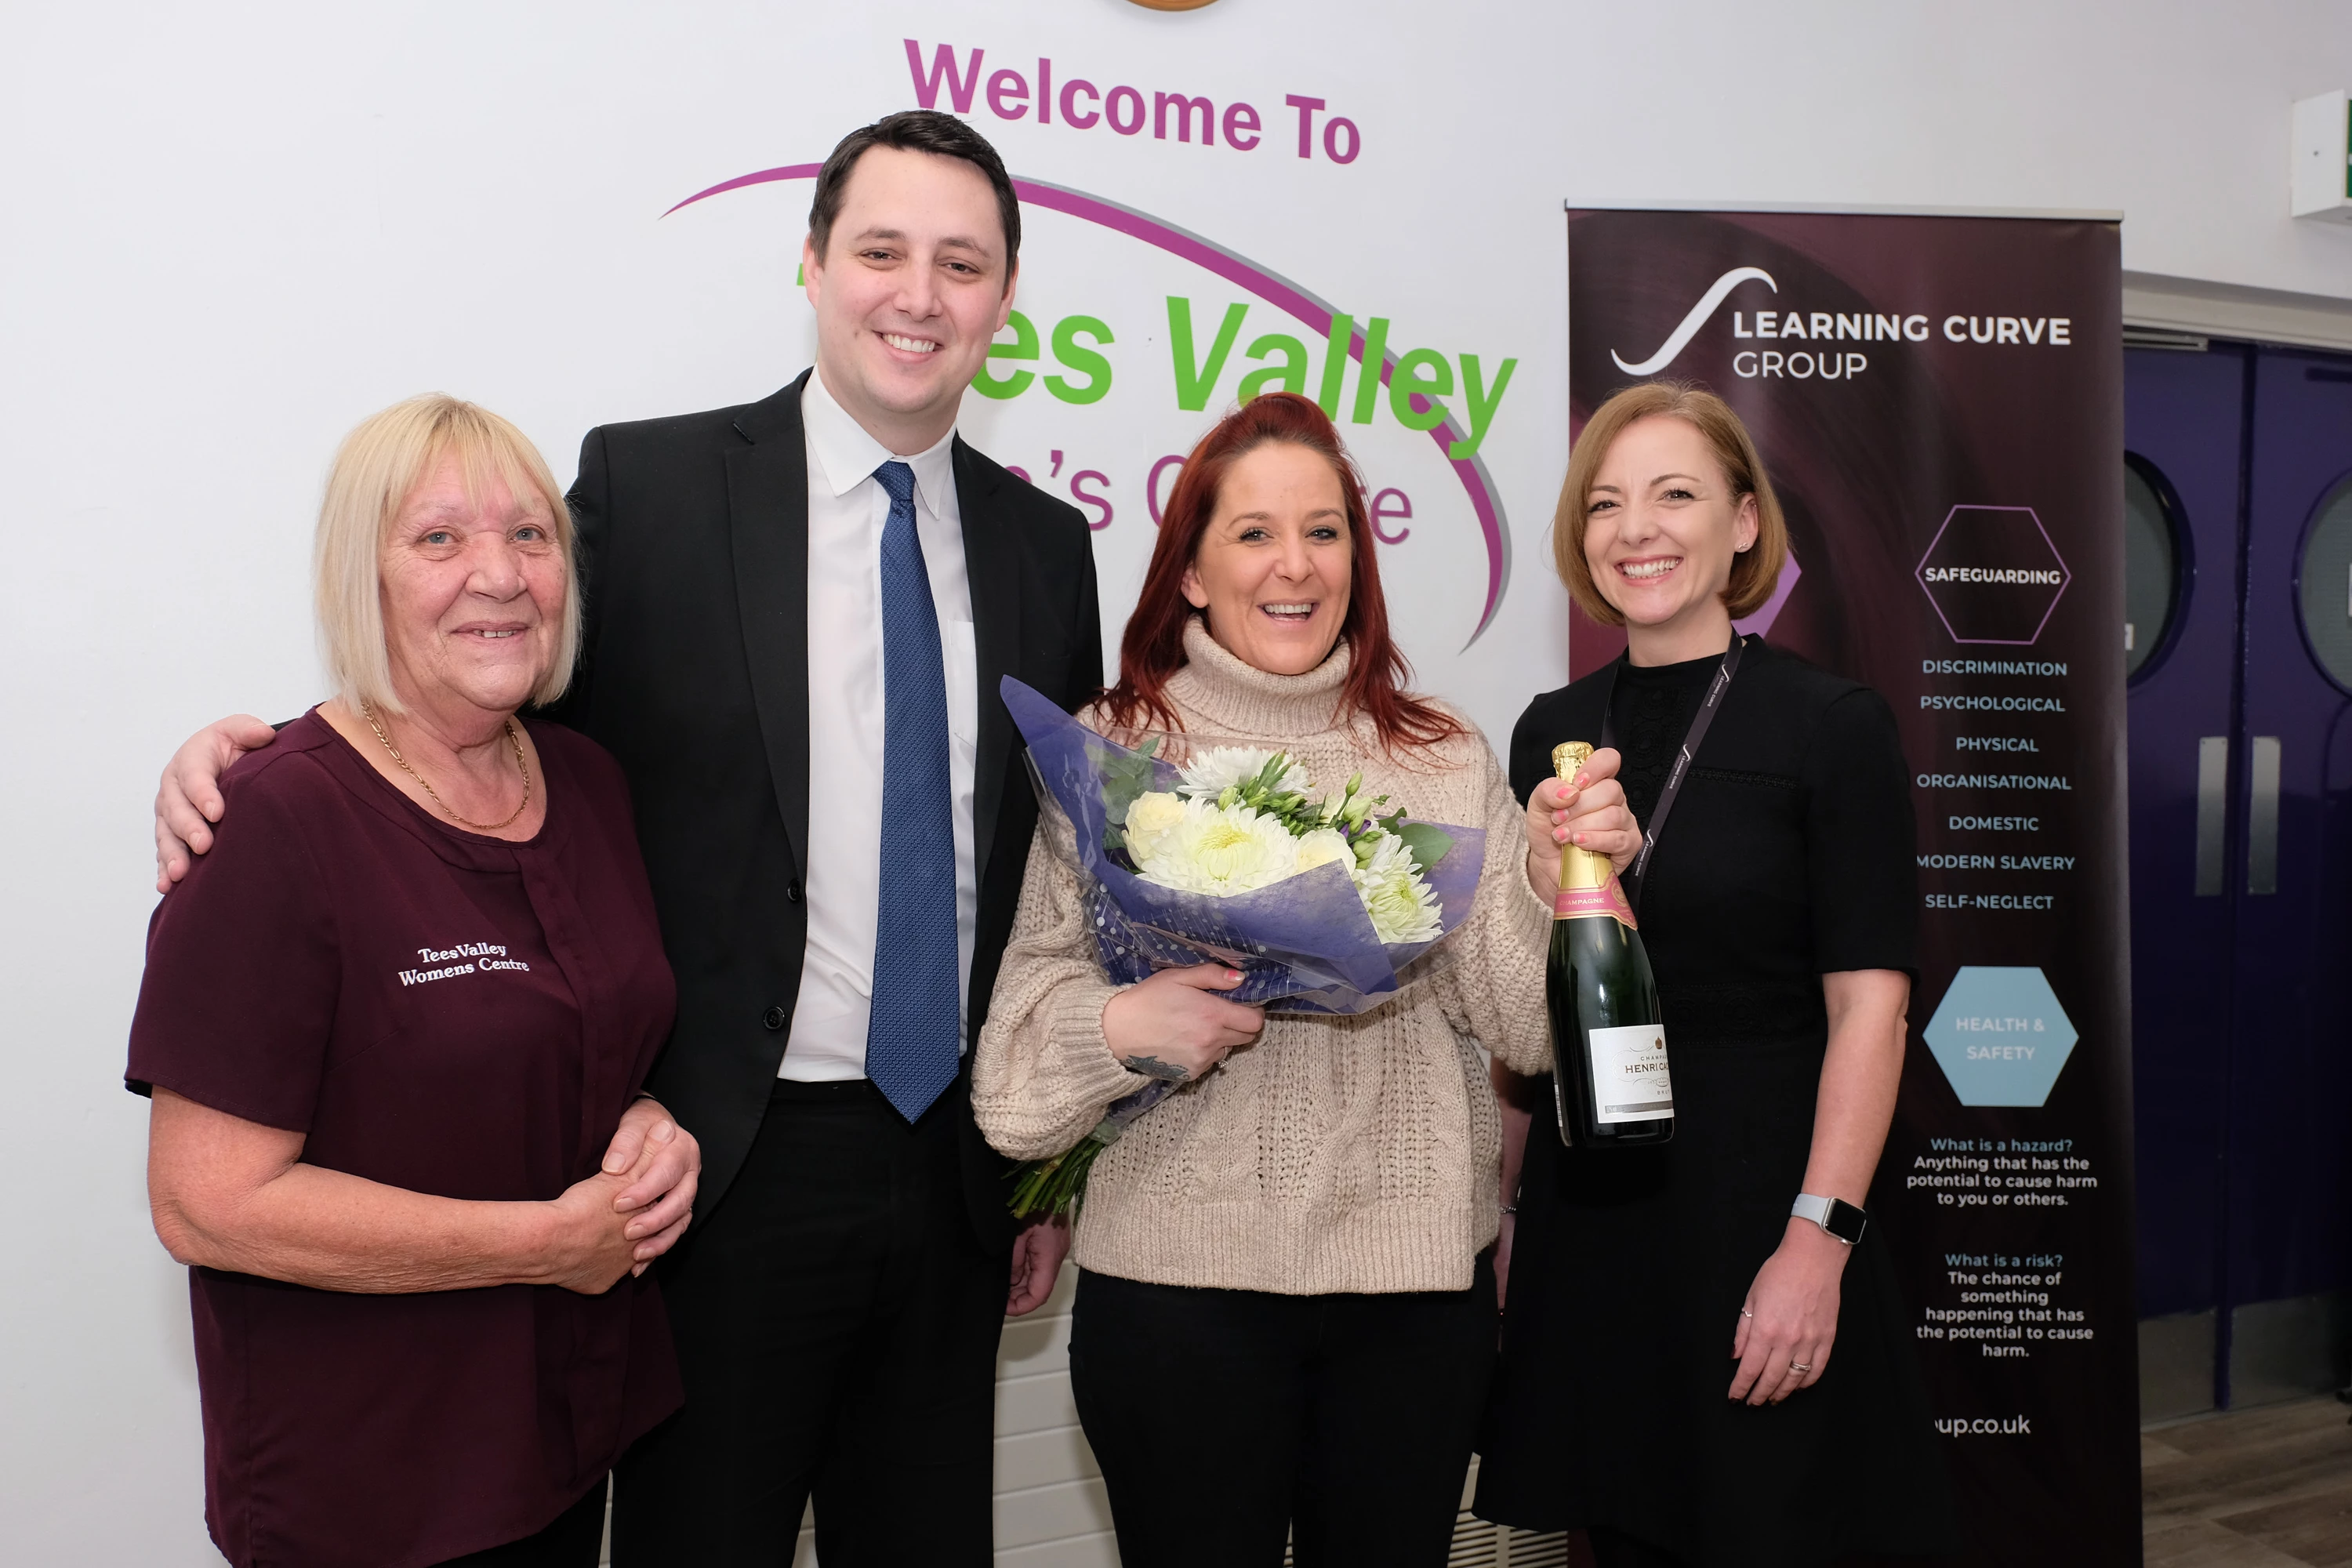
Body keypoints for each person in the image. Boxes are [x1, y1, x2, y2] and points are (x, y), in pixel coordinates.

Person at [147, 111, 1098, 1565]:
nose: (920, 294)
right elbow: (480, 655)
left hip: (958, 1164)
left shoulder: (1048, 546)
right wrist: (259, 750)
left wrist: (1041, 1175)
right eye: (882, 251)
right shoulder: (656, 490)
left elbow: (1048, 870)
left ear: (1006, 298)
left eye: (962, 263)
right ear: (812, 264)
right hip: (711, 1169)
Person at [971, 390, 1635, 1568]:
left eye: (1326, 532)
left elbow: (1534, 1034)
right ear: (1189, 571)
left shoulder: (1442, 755)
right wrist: (1128, 1020)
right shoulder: (1115, 752)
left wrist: (1547, 881)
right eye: (1254, 533)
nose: (1296, 565)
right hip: (1175, 1299)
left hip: (1410, 1307)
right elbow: (1015, 1084)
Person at [129, 396, 698, 1567]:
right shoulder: (276, 820)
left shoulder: (586, 781)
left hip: (559, 1443)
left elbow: (574, 1026)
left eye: (531, 535)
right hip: (369, 1482)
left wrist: (644, 1120)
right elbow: (206, 1202)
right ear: (362, 577)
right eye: (438, 539)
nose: (498, 573)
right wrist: (544, 1243)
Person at [1473, 382, 1958, 1566]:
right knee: (1622, 1538)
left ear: (1745, 522)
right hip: (1595, 1220)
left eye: (1674, 494)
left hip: (1760, 1209)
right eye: (1606, 504)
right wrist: (1505, 1210)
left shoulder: (1829, 725)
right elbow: (1524, 994)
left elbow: (1873, 1011)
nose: (1636, 529)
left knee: (1772, 1529)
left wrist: (1818, 1243)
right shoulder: (1551, 730)